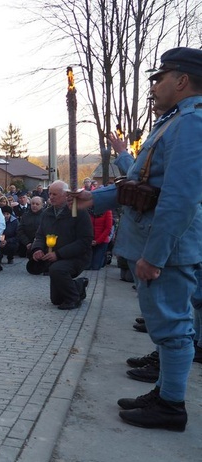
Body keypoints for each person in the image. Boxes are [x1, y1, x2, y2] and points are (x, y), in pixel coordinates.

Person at [73, 47, 202, 431]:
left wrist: (156, 256)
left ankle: (171, 406)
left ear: (181, 81)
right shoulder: (173, 121)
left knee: (174, 327)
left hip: (165, 247)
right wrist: (93, 199)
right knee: (165, 324)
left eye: (160, 77)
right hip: (153, 242)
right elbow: (141, 186)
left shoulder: (192, 124)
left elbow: (179, 200)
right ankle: (164, 392)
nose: (156, 84)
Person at [31, 180, 92, 310]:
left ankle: (73, 299)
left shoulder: (79, 212)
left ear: (66, 195)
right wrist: (37, 249)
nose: (51, 197)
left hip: (76, 257)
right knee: (56, 300)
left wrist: (59, 254)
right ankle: (79, 286)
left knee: (57, 269)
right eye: (50, 194)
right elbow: (40, 234)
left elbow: (85, 241)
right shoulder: (47, 213)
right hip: (55, 256)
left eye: (55, 194)